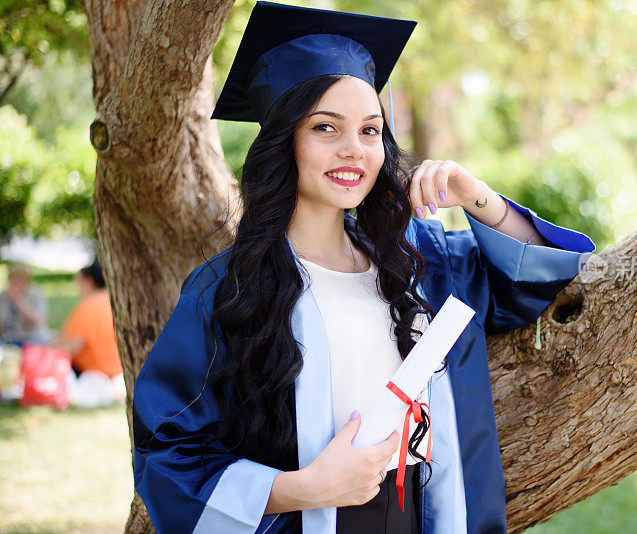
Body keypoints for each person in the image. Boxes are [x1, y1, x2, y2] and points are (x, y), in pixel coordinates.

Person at [132, 3, 596, 534]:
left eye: (371, 131)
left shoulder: (420, 261)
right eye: (326, 128)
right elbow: (166, 455)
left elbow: (540, 277)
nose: (354, 151)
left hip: (423, 515)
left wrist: (475, 196)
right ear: (284, 142)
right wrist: (305, 489)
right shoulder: (228, 290)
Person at [50, 258, 125, 406]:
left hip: (94, 371)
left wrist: (44, 351)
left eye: (78, 283)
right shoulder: (115, 301)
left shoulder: (87, 306)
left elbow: (73, 344)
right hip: (119, 369)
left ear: (88, 281)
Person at [0, 263, 52, 346]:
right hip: (7, 338)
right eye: (13, 279)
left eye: (20, 280)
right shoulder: (3, 296)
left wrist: (18, 300)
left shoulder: (36, 295)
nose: (16, 283)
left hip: (32, 338)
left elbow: (38, 320)